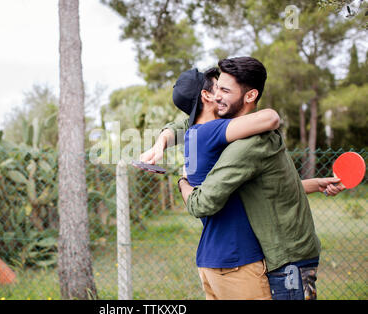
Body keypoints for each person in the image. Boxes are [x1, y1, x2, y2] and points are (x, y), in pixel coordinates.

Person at [140, 57, 344, 300]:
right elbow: (189, 125)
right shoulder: (233, 134)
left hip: (289, 258)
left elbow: (262, 186)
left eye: (224, 90)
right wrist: (163, 142)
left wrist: (181, 179)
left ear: (249, 96)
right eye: (215, 89)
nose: (216, 96)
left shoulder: (246, 141)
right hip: (280, 257)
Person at [169, 66, 281, 300]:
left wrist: (315, 184)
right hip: (237, 260)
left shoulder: (194, 136)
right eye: (217, 86)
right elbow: (270, 118)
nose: (221, 92)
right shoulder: (212, 131)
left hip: (211, 262)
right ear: (206, 96)